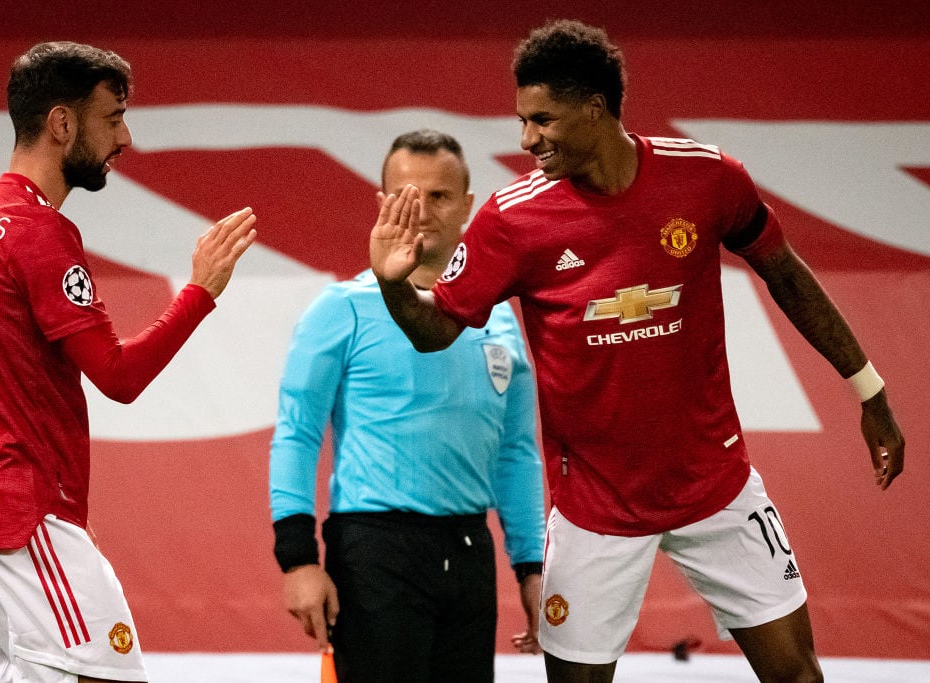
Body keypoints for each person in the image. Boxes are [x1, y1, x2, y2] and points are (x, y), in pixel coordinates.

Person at [369, 20, 905, 683]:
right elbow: (436, 328)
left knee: (799, 675)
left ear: (595, 108)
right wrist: (394, 286)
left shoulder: (707, 178)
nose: (526, 138)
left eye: (542, 119)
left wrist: (870, 389)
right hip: (595, 509)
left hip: (717, 488)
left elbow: (786, 273)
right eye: (522, 119)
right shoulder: (513, 220)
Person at [0, 41, 257, 683]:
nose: (125, 137)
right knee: (110, 676)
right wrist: (201, 291)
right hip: (16, 510)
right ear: (63, 123)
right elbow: (120, 376)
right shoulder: (37, 228)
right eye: (114, 116)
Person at [270, 129, 546, 683]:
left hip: (471, 552)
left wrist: (532, 568)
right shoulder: (340, 309)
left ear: (469, 207)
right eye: (406, 195)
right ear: (381, 205)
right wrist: (298, 560)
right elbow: (297, 434)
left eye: (440, 196)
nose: (421, 210)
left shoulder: (497, 318)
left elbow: (516, 454)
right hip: (375, 552)